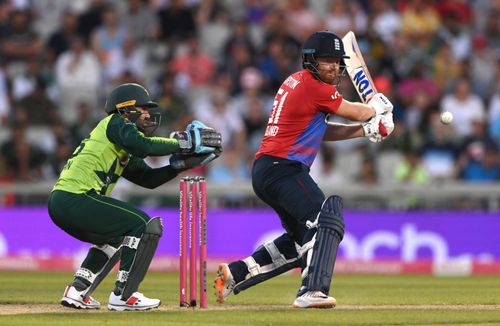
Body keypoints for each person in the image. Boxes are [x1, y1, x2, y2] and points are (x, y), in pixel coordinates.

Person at [213, 31, 394, 309]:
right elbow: (356, 111)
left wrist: (365, 130)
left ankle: (236, 273)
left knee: (301, 240)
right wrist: (376, 108)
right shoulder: (314, 86)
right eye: (326, 61)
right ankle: (312, 291)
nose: (333, 67)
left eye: (337, 61)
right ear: (310, 62)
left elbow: (321, 131)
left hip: (269, 170)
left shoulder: (298, 83)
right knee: (324, 220)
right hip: (283, 168)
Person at [48, 83, 222, 311]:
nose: (148, 115)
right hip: (75, 197)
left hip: (64, 202)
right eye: (143, 108)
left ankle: (77, 290)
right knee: (142, 225)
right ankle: (124, 294)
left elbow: (148, 179)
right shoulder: (115, 123)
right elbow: (143, 145)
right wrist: (185, 143)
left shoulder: (121, 142)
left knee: (112, 238)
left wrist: (180, 165)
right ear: (125, 109)